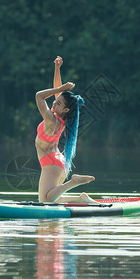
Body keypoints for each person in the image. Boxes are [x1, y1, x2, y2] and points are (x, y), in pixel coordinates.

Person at [35, 56, 96, 203]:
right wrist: (57, 70)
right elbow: (58, 93)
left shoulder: (51, 118)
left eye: (58, 103)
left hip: (51, 163)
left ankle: (73, 182)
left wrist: (61, 89)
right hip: (57, 162)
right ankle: (81, 199)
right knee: (54, 199)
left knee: (46, 200)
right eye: (56, 101)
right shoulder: (62, 118)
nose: (54, 103)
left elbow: (39, 96)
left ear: (66, 109)